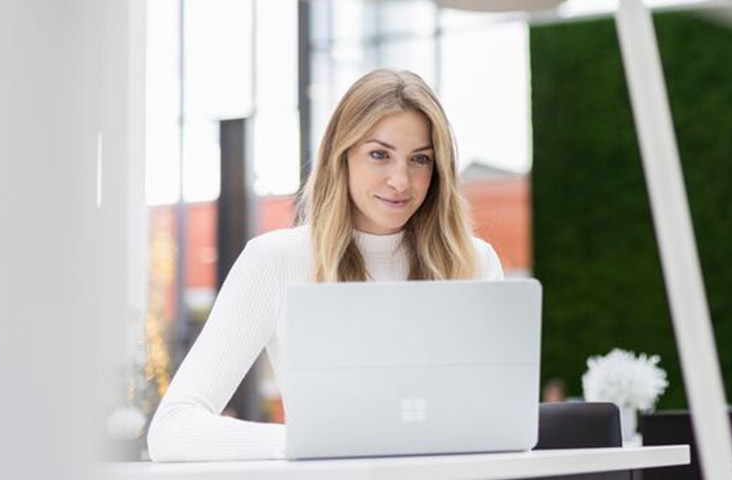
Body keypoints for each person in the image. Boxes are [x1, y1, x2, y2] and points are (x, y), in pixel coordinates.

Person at [146, 69, 504, 462]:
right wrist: (311, 444)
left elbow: (498, 421)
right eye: (379, 154)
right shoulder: (275, 260)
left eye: (420, 160)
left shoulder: (475, 262)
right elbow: (172, 429)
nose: (401, 181)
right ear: (342, 155)